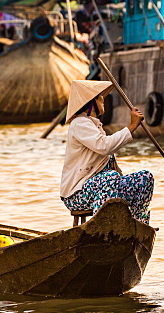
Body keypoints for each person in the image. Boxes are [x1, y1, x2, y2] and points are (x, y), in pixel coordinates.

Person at [59, 80, 153, 224]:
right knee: (110, 177)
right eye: (99, 97)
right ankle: (104, 227)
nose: (103, 99)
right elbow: (105, 146)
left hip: (104, 187)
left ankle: (137, 224)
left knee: (145, 178)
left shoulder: (94, 124)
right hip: (77, 195)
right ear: (91, 101)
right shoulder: (79, 123)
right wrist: (132, 126)